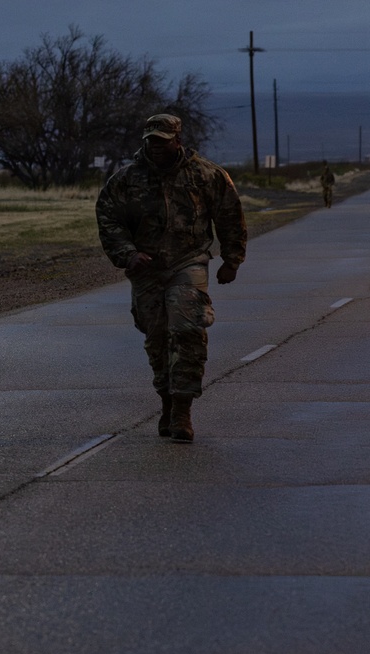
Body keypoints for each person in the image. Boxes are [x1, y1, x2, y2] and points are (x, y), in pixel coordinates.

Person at [96, 113, 247, 443]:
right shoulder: (126, 180)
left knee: (188, 329)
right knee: (157, 336)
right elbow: (108, 218)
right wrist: (128, 253)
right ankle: (166, 399)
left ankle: (182, 409)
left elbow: (230, 215)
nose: (156, 147)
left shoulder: (206, 175)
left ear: (177, 140)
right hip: (146, 269)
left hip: (187, 263)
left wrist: (232, 259)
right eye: (151, 140)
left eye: (163, 141)